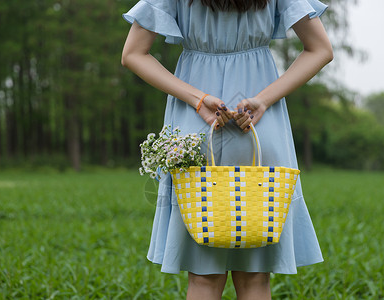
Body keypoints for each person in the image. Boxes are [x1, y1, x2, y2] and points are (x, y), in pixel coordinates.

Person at [121, 0, 333, 298]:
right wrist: (263, 100)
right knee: (255, 277)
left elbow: (132, 54)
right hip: (258, 118)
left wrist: (198, 98)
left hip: (198, 122)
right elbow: (321, 49)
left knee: (203, 276)